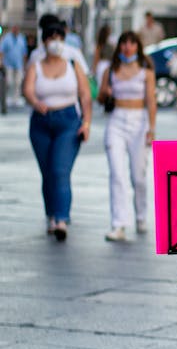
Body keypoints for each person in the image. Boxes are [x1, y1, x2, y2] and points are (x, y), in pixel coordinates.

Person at [22, 20, 92, 241]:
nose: (56, 43)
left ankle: (62, 218)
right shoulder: (36, 63)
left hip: (68, 121)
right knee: (47, 172)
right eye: (51, 38)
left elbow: (85, 94)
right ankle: (51, 214)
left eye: (59, 38)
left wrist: (86, 122)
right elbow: (27, 88)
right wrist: (35, 102)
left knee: (60, 170)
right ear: (44, 42)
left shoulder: (72, 62)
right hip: (41, 122)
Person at [99, 31, 157, 241]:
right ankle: (118, 224)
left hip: (139, 122)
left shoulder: (146, 71)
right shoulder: (111, 69)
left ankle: (141, 215)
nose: (128, 47)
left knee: (138, 177)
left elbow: (151, 100)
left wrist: (152, 128)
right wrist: (105, 91)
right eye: (124, 43)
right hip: (116, 121)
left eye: (132, 43)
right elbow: (100, 97)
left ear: (137, 46)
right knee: (116, 174)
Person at [0, 24, 28, 105]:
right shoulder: (6, 38)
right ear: (12, 29)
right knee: (9, 82)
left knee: (18, 82)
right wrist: (0, 61)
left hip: (19, 64)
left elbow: (24, 53)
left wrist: (25, 64)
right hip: (8, 64)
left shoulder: (22, 38)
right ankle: (8, 97)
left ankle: (16, 99)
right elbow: (1, 51)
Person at [92, 24, 115, 90]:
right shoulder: (103, 44)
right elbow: (96, 58)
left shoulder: (106, 44)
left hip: (104, 65)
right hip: (104, 65)